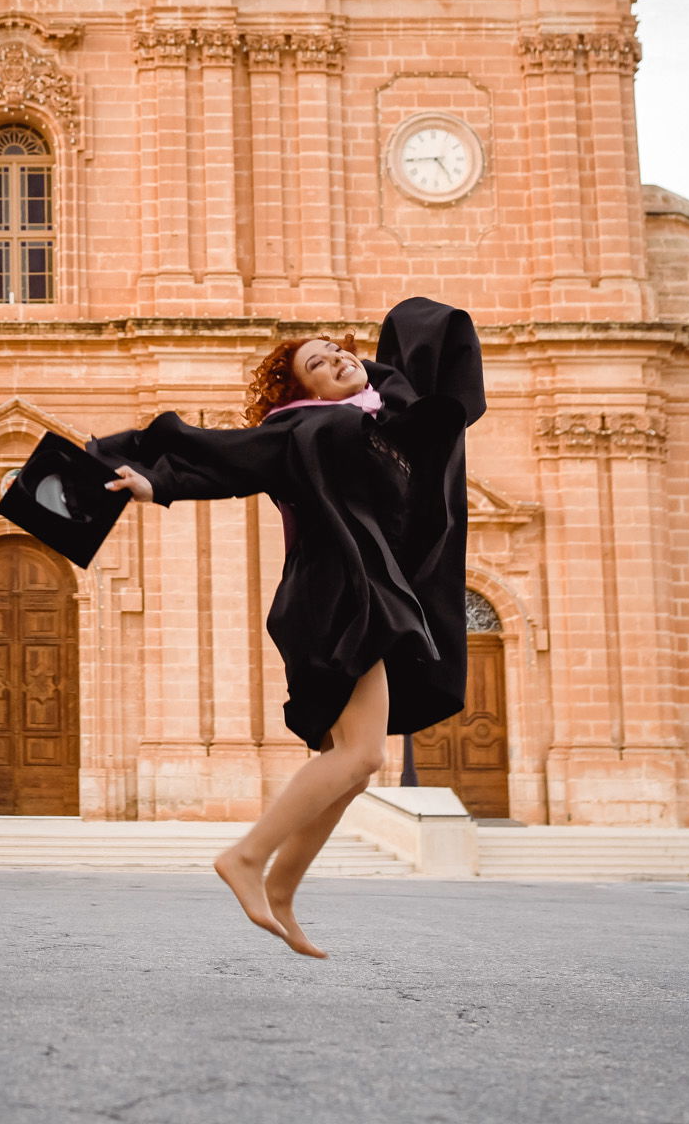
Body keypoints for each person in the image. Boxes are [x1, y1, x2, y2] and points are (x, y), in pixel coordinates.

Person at [89, 295, 482, 957]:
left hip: (361, 594)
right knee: (361, 755)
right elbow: (228, 456)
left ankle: (281, 889)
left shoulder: (378, 426)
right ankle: (246, 858)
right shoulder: (305, 427)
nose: (335, 361)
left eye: (337, 350)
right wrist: (155, 484)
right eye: (316, 363)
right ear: (299, 391)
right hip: (330, 598)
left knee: (351, 765)